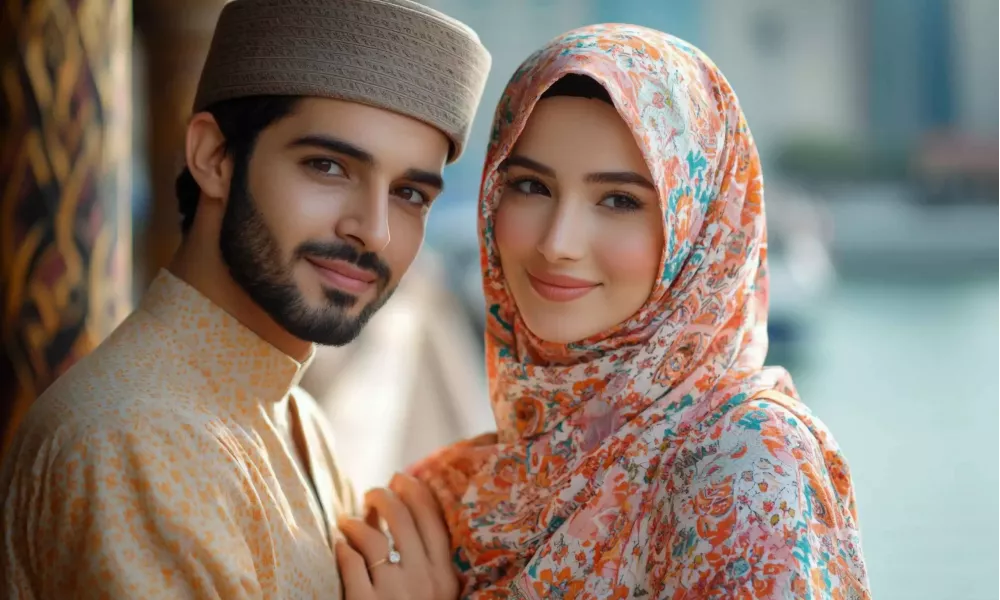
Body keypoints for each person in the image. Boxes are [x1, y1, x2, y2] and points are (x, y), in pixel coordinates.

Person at [0, 0, 490, 598]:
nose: (375, 231)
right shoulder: (133, 443)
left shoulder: (294, 416)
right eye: (328, 166)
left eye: (410, 194)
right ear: (214, 158)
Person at [410, 24, 871, 598]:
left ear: (697, 231)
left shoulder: (746, 458)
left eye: (620, 200)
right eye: (531, 186)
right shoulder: (470, 486)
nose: (559, 242)